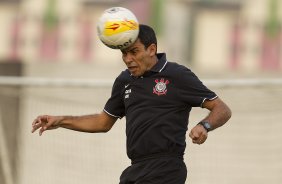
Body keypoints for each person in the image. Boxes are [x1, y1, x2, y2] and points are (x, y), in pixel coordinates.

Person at [31, 24, 231, 184]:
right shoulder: (124, 80)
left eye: (134, 52)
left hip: (166, 167)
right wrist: (60, 121)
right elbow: (103, 122)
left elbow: (222, 109)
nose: (128, 59)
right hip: (136, 169)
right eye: (124, 53)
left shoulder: (177, 75)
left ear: (152, 49)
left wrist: (204, 125)